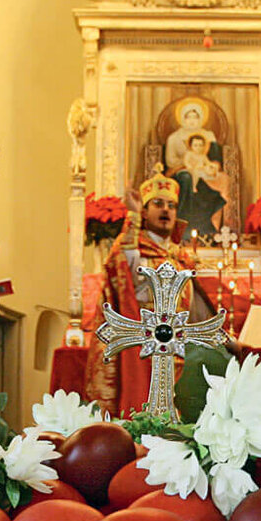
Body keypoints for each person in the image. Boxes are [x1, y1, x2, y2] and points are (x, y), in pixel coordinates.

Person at [84, 163, 218, 416]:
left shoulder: (181, 258)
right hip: (144, 349)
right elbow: (124, 268)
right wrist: (132, 217)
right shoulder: (136, 249)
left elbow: (197, 310)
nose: (166, 210)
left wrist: (226, 339)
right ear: (145, 212)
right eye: (157, 204)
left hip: (179, 350)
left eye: (171, 205)